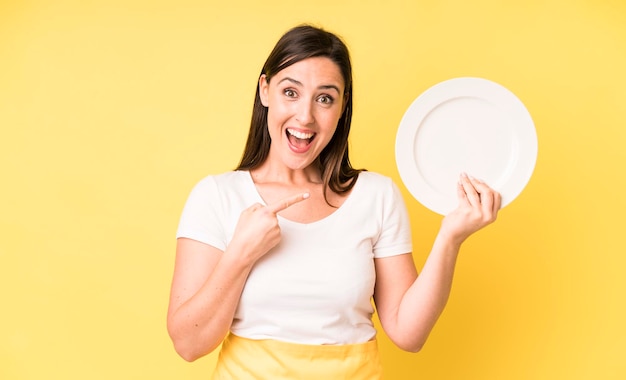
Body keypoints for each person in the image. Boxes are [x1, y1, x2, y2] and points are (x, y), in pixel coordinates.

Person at [166, 24, 501, 379]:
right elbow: (189, 345)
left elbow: (409, 333)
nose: (305, 116)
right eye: (290, 92)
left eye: (325, 98)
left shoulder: (377, 196)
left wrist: (450, 239)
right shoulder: (217, 196)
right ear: (265, 90)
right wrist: (240, 253)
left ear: (342, 107)